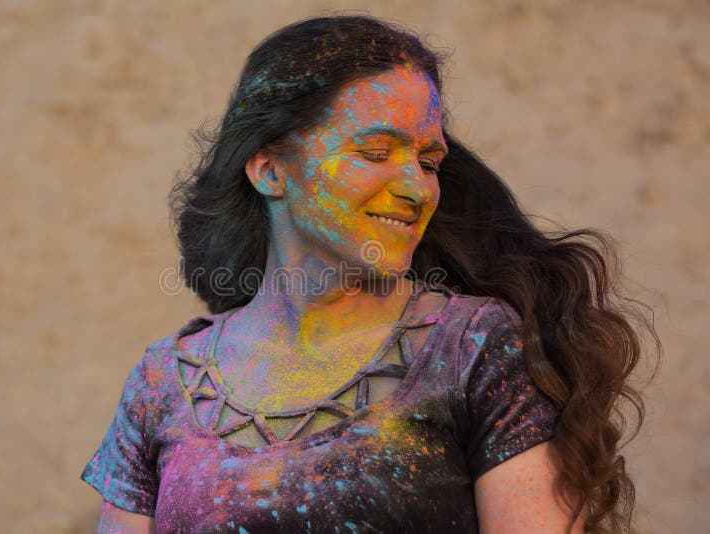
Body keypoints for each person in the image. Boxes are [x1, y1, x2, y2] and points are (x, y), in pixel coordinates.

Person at [81, 15, 658, 533]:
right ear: (271, 171)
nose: (416, 188)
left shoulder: (474, 346)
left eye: (428, 162)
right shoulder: (164, 382)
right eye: (375, 152)